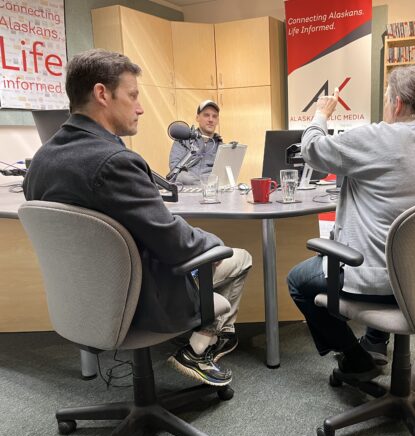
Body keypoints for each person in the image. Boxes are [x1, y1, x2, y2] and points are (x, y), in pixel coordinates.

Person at [23, 49, 252, 387]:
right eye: (132, 95)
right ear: (102, 94)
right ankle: (200, 347)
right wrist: (215, 245)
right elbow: (177, 245)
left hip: (84, 299)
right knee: (238, 257)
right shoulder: (114, 161)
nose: (141, 107)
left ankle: (203, 343)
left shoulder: (41, 160)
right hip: (141, 299)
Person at [287, 65, 415, 380]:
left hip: (381, 284)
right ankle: (375, 341)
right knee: (385, 240)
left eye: (387, 99)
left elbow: (312, 149)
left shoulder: (378, 137)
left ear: (397, 103)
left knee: (298, 281)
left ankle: (355, 358)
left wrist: (320, 114)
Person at [168, 100, 222, 185]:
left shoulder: (220, 146)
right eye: (206, 115)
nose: (211, 120)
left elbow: (223, 176)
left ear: (218, 121)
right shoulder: (183, 139)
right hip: (186, 190)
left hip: (210, 192)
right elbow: (175, 170)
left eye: (214, 116)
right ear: (197, 118)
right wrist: (199, 184)